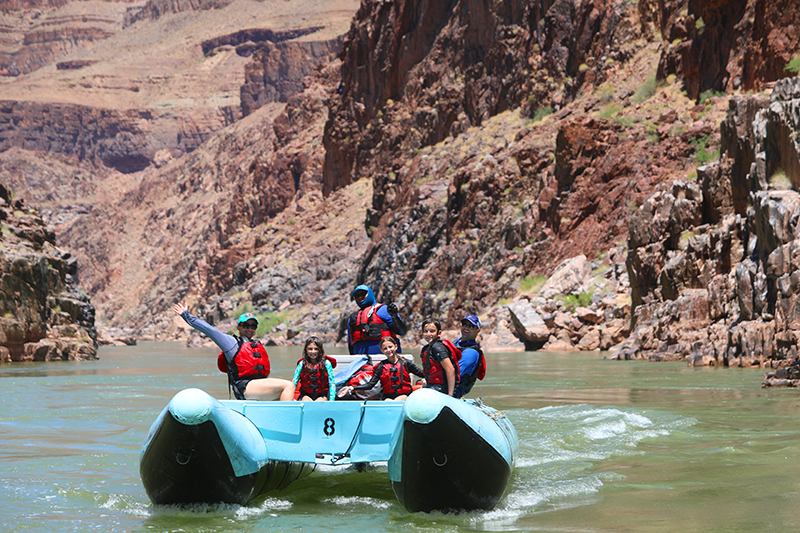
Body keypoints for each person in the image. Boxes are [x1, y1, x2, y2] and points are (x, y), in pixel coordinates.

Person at [173, 303, 295, 400]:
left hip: (259, 387)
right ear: (239, 327)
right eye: (246, 325)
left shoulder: (257, 345)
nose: (250, 329)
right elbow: (208, 329)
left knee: (291, 398)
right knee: (288, 386)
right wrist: (186, 315)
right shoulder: (230, 343)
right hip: (244, 388)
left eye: (253, 326)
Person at [338, 336, 424, 401]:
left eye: (390, 347)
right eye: (385, 348)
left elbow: (421, 373)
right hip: (388, 398)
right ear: (382, 351)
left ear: (396, 347)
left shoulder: (405, 363)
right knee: (388, 401)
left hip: (404, 396)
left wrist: (426, 378)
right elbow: (370, 385)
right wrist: (351, 388)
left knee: (396, 401)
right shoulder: (381, 366)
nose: (388, 350)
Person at [347, 284, 408, 355]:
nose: (360, 297)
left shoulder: (384, 310)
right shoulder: (353, 318)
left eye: (363, 294)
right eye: (357, 296)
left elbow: (402, 332)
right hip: (362, 361)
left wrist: (394, 316)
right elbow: (350, 344)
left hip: (386, 359)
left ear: (370, 294)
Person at [419, 318, 457, 396]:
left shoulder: (438, 347)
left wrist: (450, 395)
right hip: (433, 386)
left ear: (439, 333)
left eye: (432, 331)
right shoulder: (427, 348)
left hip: (441, 389)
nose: (428, 334)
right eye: (425, 331)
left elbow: (450, 369)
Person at [292, 337, 336, 401]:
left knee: (320, 401)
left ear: (320, 350)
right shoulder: (302, 364)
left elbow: (332, 383)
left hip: (322, 395)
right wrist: (292, 397)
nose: (313, 351)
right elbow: (294, 381)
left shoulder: (326, 364)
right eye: (310, 349)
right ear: (306, 350)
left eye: (316, 349)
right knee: (305, 400)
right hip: (306, 395)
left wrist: (332, 400)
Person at [453, 314, 486, 399]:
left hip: (453, 392)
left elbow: (454, 375)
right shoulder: (455, 343)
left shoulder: (471, 353)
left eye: (471, 326)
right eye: (464, 324)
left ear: (477, 331)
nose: (466, 328)